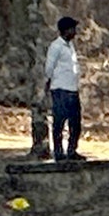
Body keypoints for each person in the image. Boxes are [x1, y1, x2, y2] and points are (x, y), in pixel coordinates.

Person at [45, 16, 83, 162]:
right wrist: (50, 82)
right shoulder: (56, 46)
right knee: (59, 122)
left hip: (72, 89)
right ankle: (59, 152)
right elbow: (49, 67)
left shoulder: (70, 46)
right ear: (66, 30)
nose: (75, 32)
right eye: (73, 29)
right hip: (60, 88)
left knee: (75, 122)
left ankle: (72, 150)